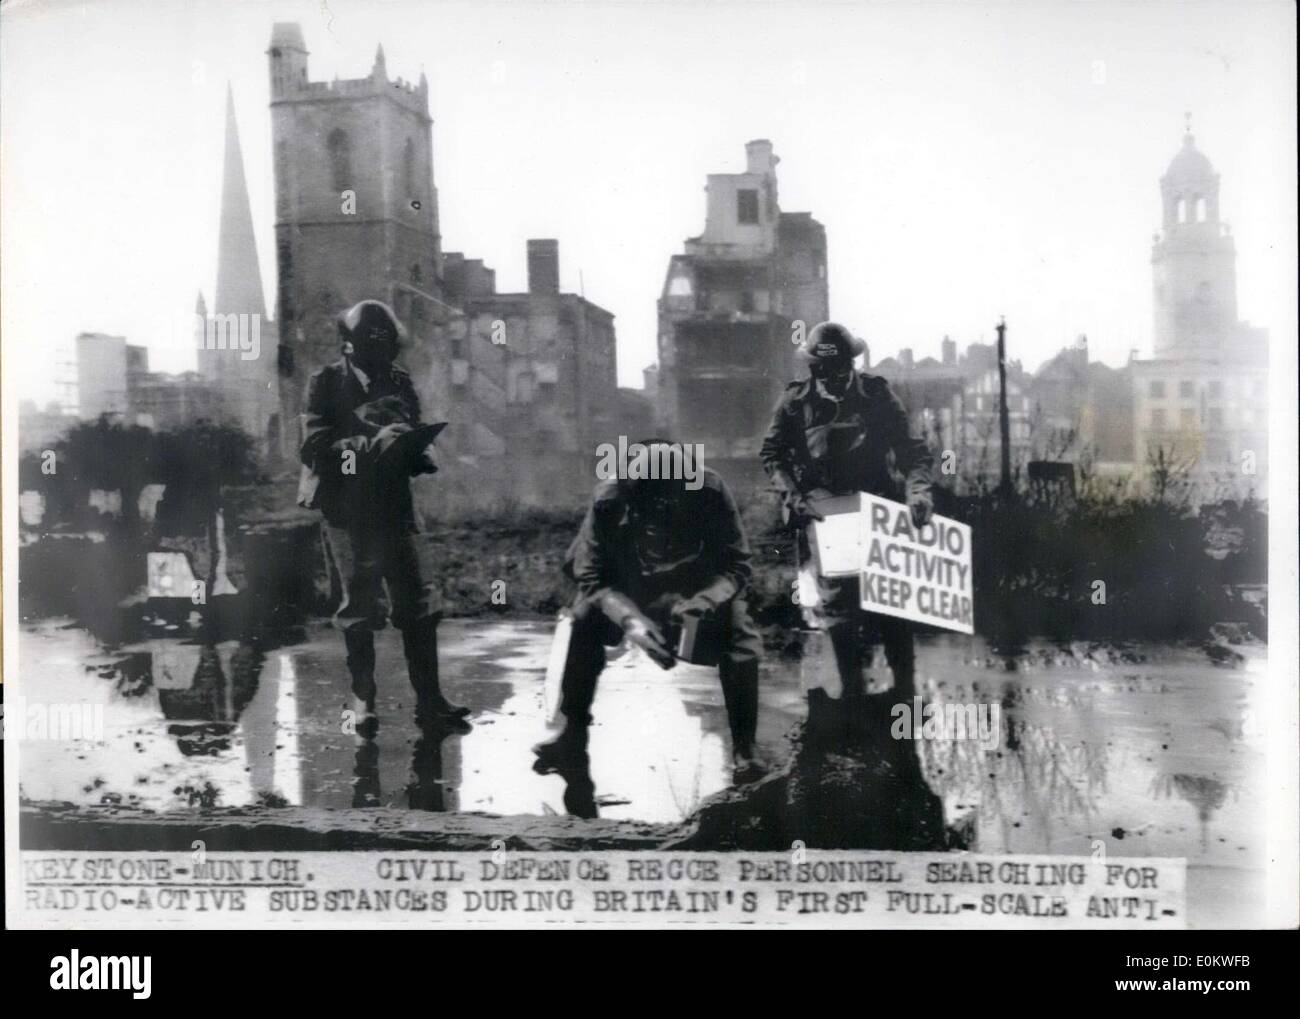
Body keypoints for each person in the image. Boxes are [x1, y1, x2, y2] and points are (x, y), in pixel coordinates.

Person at [533, 441, 769, 785]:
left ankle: (746, 749)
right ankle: (572, 737)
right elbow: (590, 575)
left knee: (740, 636)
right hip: (627, 585)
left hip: (692, 587)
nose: (663, 512)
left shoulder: (711, 490)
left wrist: (705, 601)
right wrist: (631, 620)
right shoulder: (609, 499)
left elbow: (737, 564)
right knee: (580, 622)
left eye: (671, 502)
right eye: (652, 504)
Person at [299, 299, 468, 740]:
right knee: (359, 608)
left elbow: (410, 429)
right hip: (346, 511)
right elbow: (315, 447)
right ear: (350, 347)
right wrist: (374, 443)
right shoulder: (325, 382)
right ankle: (362, 701)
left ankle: (430, 704)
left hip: (393, 508)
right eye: (375, 348)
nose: (383, 360)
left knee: (419, 606)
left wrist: (420, 452)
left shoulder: (398, 380)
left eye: (388, 349)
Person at [760, 321, 934, 705]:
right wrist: (794, 497)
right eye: (823, 371)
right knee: (839, 611)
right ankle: (853, 698)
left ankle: (904, 698)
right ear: (812, 369)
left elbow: (913, 451)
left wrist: (918, 493)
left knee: (893, 606)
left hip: (879, 511)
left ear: (851, 364)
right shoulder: (795, 402)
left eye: (841, 369)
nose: (833, 378)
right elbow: (771, 454)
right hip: (827, 518)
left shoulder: (876, 394)